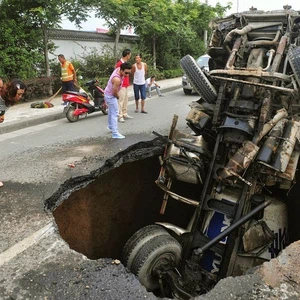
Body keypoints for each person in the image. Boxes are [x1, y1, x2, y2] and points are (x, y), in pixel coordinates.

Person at [0, 78, 26, 187]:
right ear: (12, 91)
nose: (20, 97)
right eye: (19, 94)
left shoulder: (9, 101)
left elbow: (2, 111)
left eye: (21, 95)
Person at [104, 62, 132, 139]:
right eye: (126, 73)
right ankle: (115, 133)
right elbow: (114, 92)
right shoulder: (117, 79)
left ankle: (110, 126)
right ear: (121, 70)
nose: (127, 75)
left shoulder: (118, 69)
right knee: (115, 113)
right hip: (110, 95)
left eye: (129, 73)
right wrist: (117, 97)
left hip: (107, 93)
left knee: (111, 111)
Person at [115, 49, 133, 123]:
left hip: (126, 84)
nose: (130, 56)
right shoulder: (119, 64)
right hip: (121, 85)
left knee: (126, 100)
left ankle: (124, 113)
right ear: (127, 55)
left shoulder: (126, 63)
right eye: (130, 54)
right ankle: (120, 115)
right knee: (120, 100)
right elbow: (118, 74)